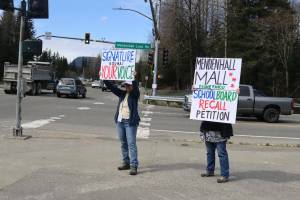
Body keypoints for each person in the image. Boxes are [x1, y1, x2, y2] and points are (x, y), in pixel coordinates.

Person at [103, 80, 140, 175]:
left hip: (130, 122)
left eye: (129, 85)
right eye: (126, 85)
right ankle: (126, 162)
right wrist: (104, 78)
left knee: (131, 144)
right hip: (120, 122)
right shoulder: (122, 94)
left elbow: (135, 88)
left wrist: (134, 79)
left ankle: (134, 166)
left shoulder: (135, 95)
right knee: (123, 143)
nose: (127, 87)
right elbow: (112, 87)